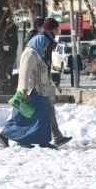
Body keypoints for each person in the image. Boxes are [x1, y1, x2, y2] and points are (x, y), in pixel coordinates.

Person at [0, 35, 57, 149]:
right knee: (41, 117)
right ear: (39, 43)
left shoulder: (36, 53)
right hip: (30, 92)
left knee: (26, 118)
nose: (45, 49)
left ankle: (21, 139)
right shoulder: (30, 54)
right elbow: (25, 72)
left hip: (36, 91)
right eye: (45, 46)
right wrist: (24, 89)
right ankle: (5, 135)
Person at [22, 17, 73, 147]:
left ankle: (52, 137)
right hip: (35, 85)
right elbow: (27, 70)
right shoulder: (36, 45)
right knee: (34, 112)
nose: (46, 48)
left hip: (41, 81)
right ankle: (17, 138)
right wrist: (24, 89)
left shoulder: (46, 40)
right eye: (56, 29)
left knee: (45, 110)